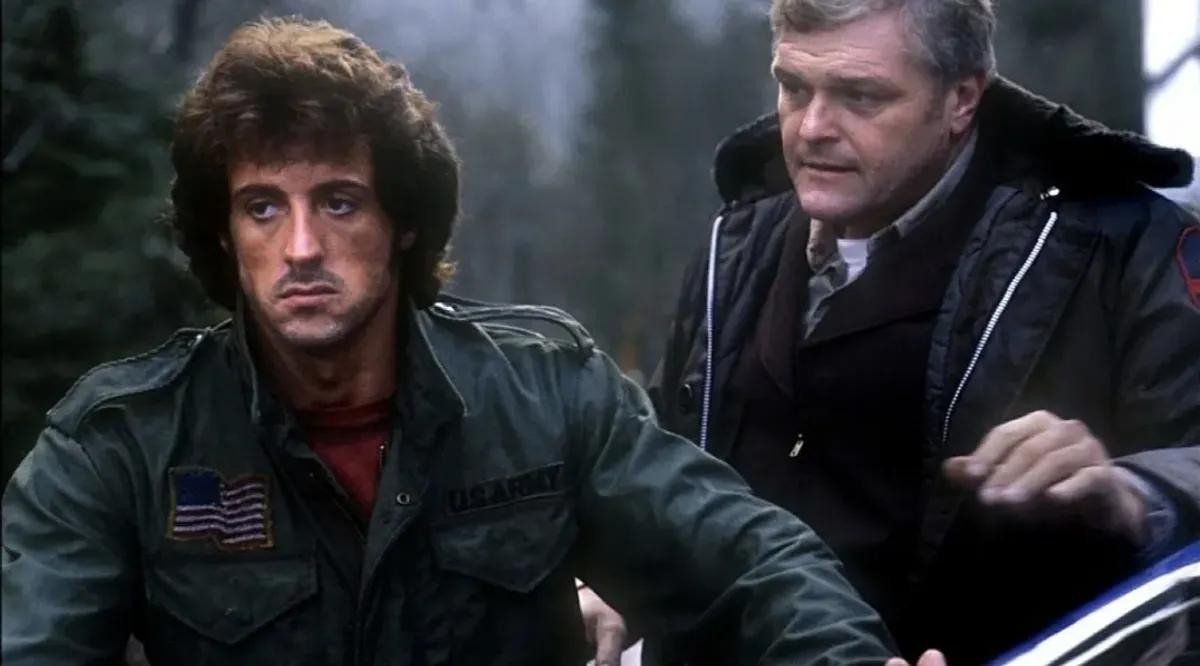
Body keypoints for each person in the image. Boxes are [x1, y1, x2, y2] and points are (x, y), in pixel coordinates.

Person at [0, 15, 914, 666]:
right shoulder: (122, 443)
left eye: (339, 202)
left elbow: (752, 560)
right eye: (264, 208)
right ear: (225, 234)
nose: (302, 247)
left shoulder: (544, 392)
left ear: (402, 219)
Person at [582, 0, 1200, 663]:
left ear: (961, 99)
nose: (812, 128)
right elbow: (665, 472)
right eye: (793, 87)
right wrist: (615, 575)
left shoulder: (1113, 248)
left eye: (861, 97)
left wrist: (1133, 492)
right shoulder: (735, 244)